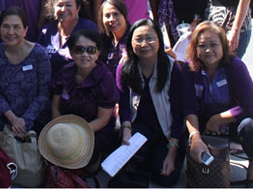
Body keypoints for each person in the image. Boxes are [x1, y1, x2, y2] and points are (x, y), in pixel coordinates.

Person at [115, 19, 184, 186]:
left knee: (166, 179)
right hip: (139, 127)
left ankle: (166, 155)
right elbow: (123, 103)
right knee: (132, 165)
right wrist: (125, 129)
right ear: (130, 43)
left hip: (166, 130)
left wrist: (173, 150)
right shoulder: (125, 66)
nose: (144, 44)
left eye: (150, 38)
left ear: (159, 40)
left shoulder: (172, 68)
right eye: (138, 39)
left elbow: (178, 111)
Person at [182, 21, 253, 182]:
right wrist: (195, 136)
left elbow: (249, 105)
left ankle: (251, 171)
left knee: (250, 126)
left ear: (223, 46)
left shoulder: (236, 67)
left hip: (233, 121)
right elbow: (189, 106)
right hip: (202, 120)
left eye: (213, 44)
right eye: (202, 46)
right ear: (195, 48)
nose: (208, 50)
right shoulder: (188, 69)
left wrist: (218, 119)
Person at [52, 30, 119, 162]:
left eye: (91, 50)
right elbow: (55, 107)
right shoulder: (64, 73)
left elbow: (102, 120)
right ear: (71, 52)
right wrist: (59, 130)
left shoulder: (105, 78)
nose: (85, 54)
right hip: (65, 127)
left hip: (94, 130)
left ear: (98, 53)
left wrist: (75, 135)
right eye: (79, 49)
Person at [0, 7, 51, 136]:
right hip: (5, 121)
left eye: (17, 27)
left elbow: (44, 93)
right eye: (6, 26)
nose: (10, 32)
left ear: (25, 30)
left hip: (35, 121)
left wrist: (24, 120)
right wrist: (13, 119)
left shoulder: (39, 54)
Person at [38, 0, 98, 77]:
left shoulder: (87, 27)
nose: (63, 9)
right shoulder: (47, 30)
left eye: (69, 5)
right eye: (60, 5)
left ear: (78, 8)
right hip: (50, 84)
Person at [98, 0, 130, 75]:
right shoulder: (103, 41)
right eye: (107, 16)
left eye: (116, 14)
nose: (111, 19)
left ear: (124, 16)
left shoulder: (134, 38)